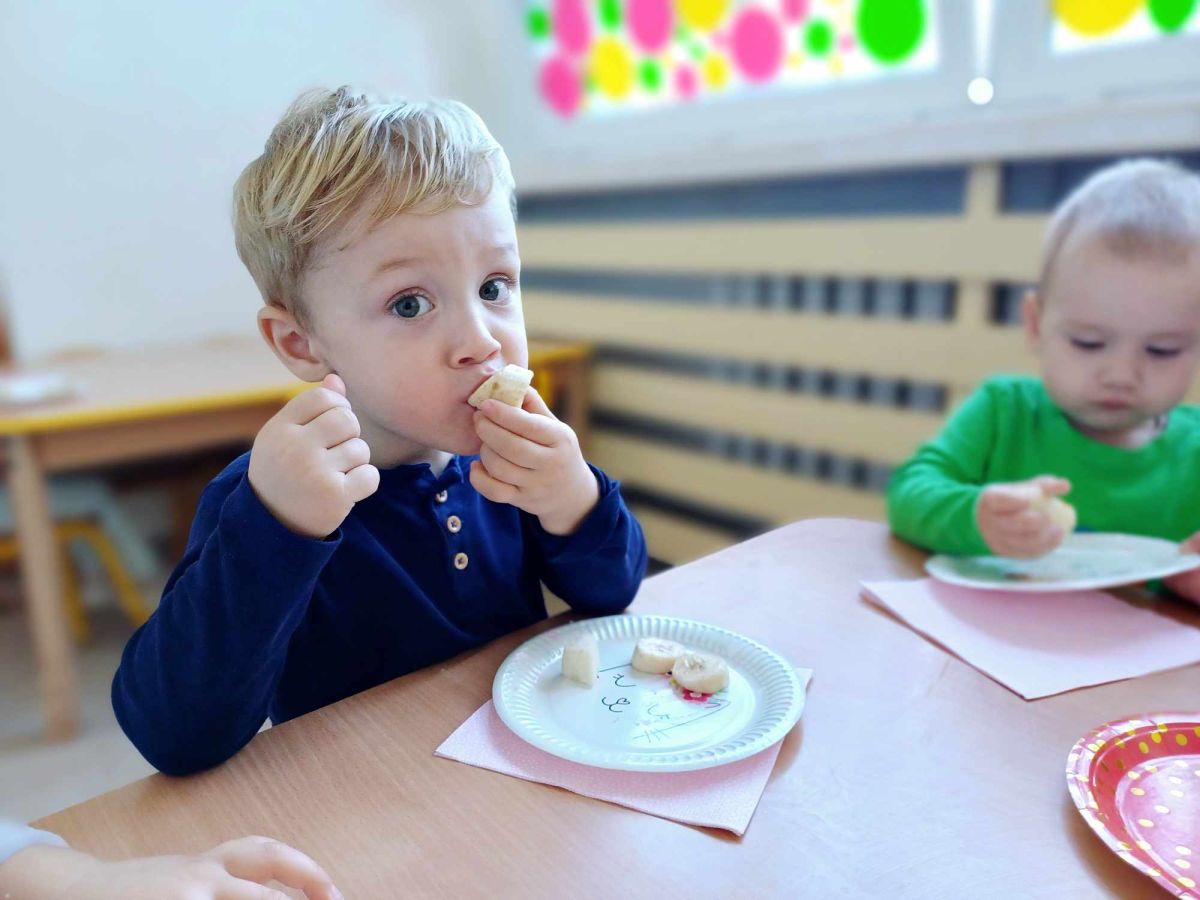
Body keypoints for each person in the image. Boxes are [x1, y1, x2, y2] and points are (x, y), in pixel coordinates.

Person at [113, 87, 647, 774]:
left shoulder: (511, 463)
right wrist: (278, 528)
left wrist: (574, 500)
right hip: (360, 807)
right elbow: (176, 737)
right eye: (410, 304)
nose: (481, 341)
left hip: (517, 779)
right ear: (302, 342)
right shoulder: (269, 499)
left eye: (493, 287)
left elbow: (613, 593)